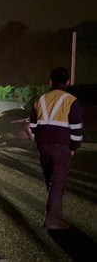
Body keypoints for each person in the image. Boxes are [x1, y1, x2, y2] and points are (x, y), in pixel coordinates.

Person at [30, 67, 83, 230]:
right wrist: (73, 147)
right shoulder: (71, 100)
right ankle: (52, 219)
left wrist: (40, 140)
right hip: (62, 147)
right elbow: (77, 128)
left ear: (50, 82)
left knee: (51, 180)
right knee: (58, 182)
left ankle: (56, 214)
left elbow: (32, 126)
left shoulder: (40, 100)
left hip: (43, 146)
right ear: (67, 82)